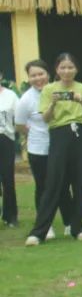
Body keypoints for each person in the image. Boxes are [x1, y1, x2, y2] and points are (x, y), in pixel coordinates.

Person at [26, 53, 82, 246]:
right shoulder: (49, 89)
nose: (66, 71)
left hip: (79, 134)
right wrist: (54, 102)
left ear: (76, 69)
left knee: (79, 182)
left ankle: (77, 227)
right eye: (62, 68)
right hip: (58, 135)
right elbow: (46, 118)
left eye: (70, 67)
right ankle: (39, 231)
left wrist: (80, 100)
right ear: (56, 70)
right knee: (53, 182)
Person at [15, 60, 71, 239]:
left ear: (48, 74)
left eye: (41, 74)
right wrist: (33, 134)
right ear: (29, 78)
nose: (37, 78)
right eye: (33, 75)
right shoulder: (26, 99)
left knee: (63, 185)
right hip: (38, 150)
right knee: (43, 187)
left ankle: (70, 223)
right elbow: (20, 125)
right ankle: (45, 226)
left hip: (60, 147)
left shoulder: (59, 90)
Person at [0, 75, 17, 226]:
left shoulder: (10, 95)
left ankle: (10, 216)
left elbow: (19, 117)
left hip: (5, 138)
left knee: (7, 178)